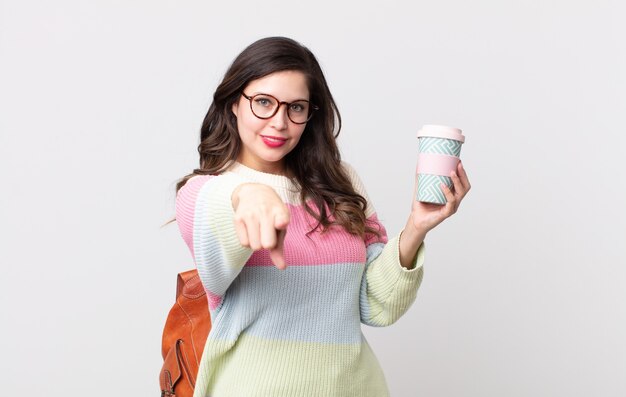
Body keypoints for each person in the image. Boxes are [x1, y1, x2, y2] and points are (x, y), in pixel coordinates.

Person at [174, 36, 470, 397]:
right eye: (263, 102)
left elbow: (377, 305)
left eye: (296, 108)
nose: (279, 122)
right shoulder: (205, 193)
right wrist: (247, 193)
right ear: (234, 102)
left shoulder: (340, 182)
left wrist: (417, 227)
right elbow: (214, 224)